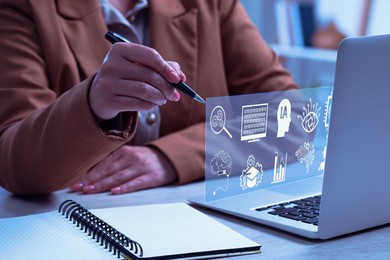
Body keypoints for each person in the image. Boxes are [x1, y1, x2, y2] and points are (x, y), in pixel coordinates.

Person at [0, 0, 298, 195]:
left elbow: (294, 115)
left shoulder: (213, 5)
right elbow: (15, 165)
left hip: (200, 222)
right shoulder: (24, 7)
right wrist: (92, 102)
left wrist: (169, 156)